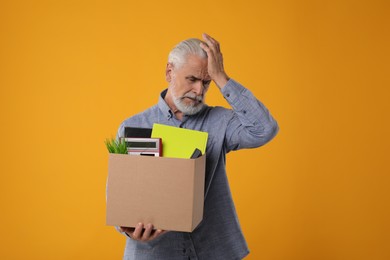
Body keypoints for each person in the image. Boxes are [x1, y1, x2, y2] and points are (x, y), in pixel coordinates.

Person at [115, 33, 279, 260]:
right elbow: (119, 198)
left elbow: (265, 129)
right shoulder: (132, 126)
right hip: (155, 253)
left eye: (206, 82)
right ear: (169, 72)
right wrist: (129, 229)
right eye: (192, 79)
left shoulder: (220, 120)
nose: (199, 91)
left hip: (215, 250)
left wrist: (222, 78)